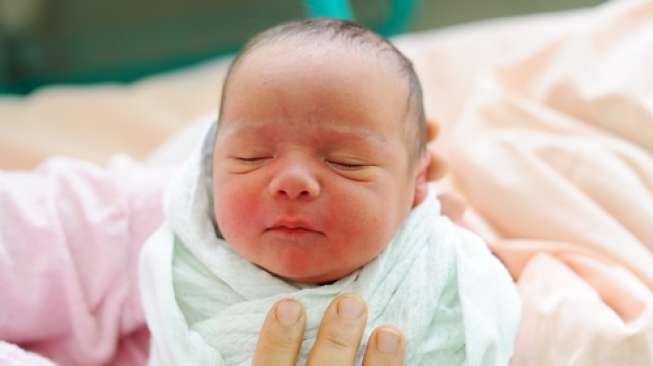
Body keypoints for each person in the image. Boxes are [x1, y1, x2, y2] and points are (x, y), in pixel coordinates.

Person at [139, 18, 520, 365]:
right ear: (210, 169)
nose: (292, 182)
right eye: (252, 156)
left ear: (417, 183)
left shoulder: (455, 282)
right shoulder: (179, 274)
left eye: (346, 161)